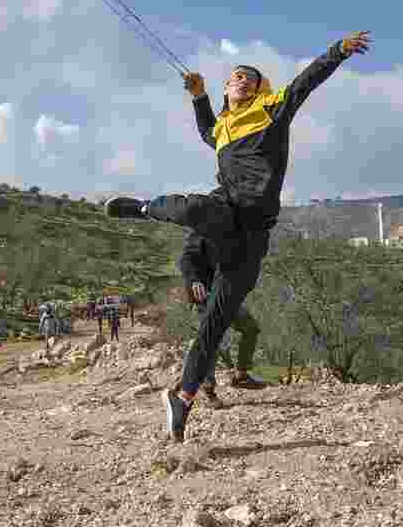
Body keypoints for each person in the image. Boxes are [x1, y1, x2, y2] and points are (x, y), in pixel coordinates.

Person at [105, 32, 371, 442]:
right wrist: (198, 98)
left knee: (215, 323)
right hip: (226, 210)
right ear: (227, 88)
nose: (242, 80)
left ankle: (184, 397)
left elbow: (307, 80)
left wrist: (338, 51)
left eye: (250, 77)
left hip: (253, 238)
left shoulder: (273, 111)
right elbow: (208, 131)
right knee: (193, 210)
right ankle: (141, 208)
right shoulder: (224, 129)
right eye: (235, 77)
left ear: (259, 88)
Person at [178, 230, 264, 410]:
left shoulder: (229, 228)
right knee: (211, 341)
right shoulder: (201, 230)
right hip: (204, 296)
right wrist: (194, 280)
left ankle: (241, 375)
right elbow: (186, 259)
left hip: (225, 294)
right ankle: (208, 391)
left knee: (250, 327)